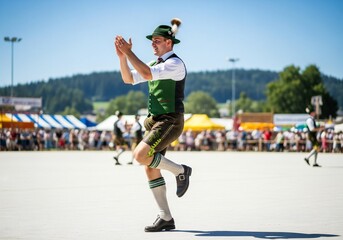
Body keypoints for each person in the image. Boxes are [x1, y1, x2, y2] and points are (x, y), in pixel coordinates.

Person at [114, 18, 192, 232]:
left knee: (139, 155)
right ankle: (166, 217)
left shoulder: (175, 64)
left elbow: (147, 75)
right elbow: (128, 78)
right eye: (152, 41)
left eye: (157, 40)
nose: (152, 44)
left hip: (170, 119)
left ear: (169, 42)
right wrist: (122, 57)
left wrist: (129, 53)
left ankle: (180, 171)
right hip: (156, 121)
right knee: (150, 167)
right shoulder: (155, 63)